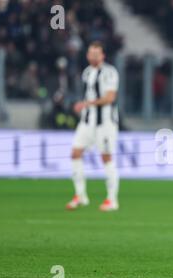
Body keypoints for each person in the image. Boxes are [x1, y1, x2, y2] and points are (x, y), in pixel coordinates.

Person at [66, 42, 120, 212]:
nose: (93, 56)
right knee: (75, 153)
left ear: (103, 56)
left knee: (106, 157)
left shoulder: (110, 72)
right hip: (87, 122)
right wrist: (84, 107)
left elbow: (110, 98)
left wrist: (86, 104)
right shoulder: (87, 72)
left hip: (104, 123)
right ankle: (80, 195)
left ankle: (112, 200)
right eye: (90, 53)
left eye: (96, 54)